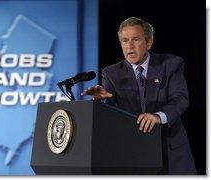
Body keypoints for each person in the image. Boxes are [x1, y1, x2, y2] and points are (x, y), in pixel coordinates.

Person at [81, 17, 196, 175]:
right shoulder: (112, 73)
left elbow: (180, 99)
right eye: (125, 40)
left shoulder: (171, 64)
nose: (129, 45)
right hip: (134, 153)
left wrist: (157, 116)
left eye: (135, 39)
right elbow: (111, 116)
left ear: (149, 42)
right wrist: (105, 99)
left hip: (170, 153)